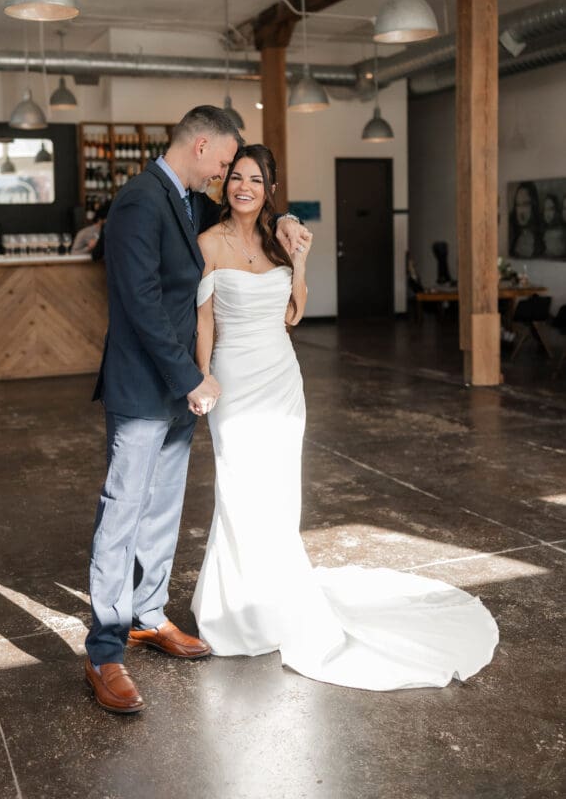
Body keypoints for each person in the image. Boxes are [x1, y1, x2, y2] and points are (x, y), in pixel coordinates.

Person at [191, 144, 499, 690]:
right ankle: (234, 612)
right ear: (225, 184)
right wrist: (203, 376)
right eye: (236, 177)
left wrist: (301, 258)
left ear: (269, 190)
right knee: (239, 489)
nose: (243, 187)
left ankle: (277, 600)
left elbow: (294, 313)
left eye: (255, 181)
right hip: (234, 382)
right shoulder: (208, 243)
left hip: (281, 379)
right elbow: (205, 322)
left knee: (281, 493)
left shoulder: (279, 239)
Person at [84, 107, 309, 715]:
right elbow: (139, 301)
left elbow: (249, 212)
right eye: (223, 163)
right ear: (204, 146)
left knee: (162, 511)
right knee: (123, 510)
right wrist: (194, 377)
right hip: (145, 387)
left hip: (185, 388)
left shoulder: (187, 200)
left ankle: (148, 616)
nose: (225, 176)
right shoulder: (138, 200)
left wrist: (285, 218)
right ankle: (105, 651)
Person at [509, 181, 544, 259]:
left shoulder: (541, 239)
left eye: (525, 204)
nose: (521, 211)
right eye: (518, 205)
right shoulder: (512, 236)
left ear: (534, 206)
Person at [542, 192, 566, 259]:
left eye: (551, 209)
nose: (547, 213)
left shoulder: (559, 232)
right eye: (545, 209)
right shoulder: (544, 230)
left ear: (556, 211)